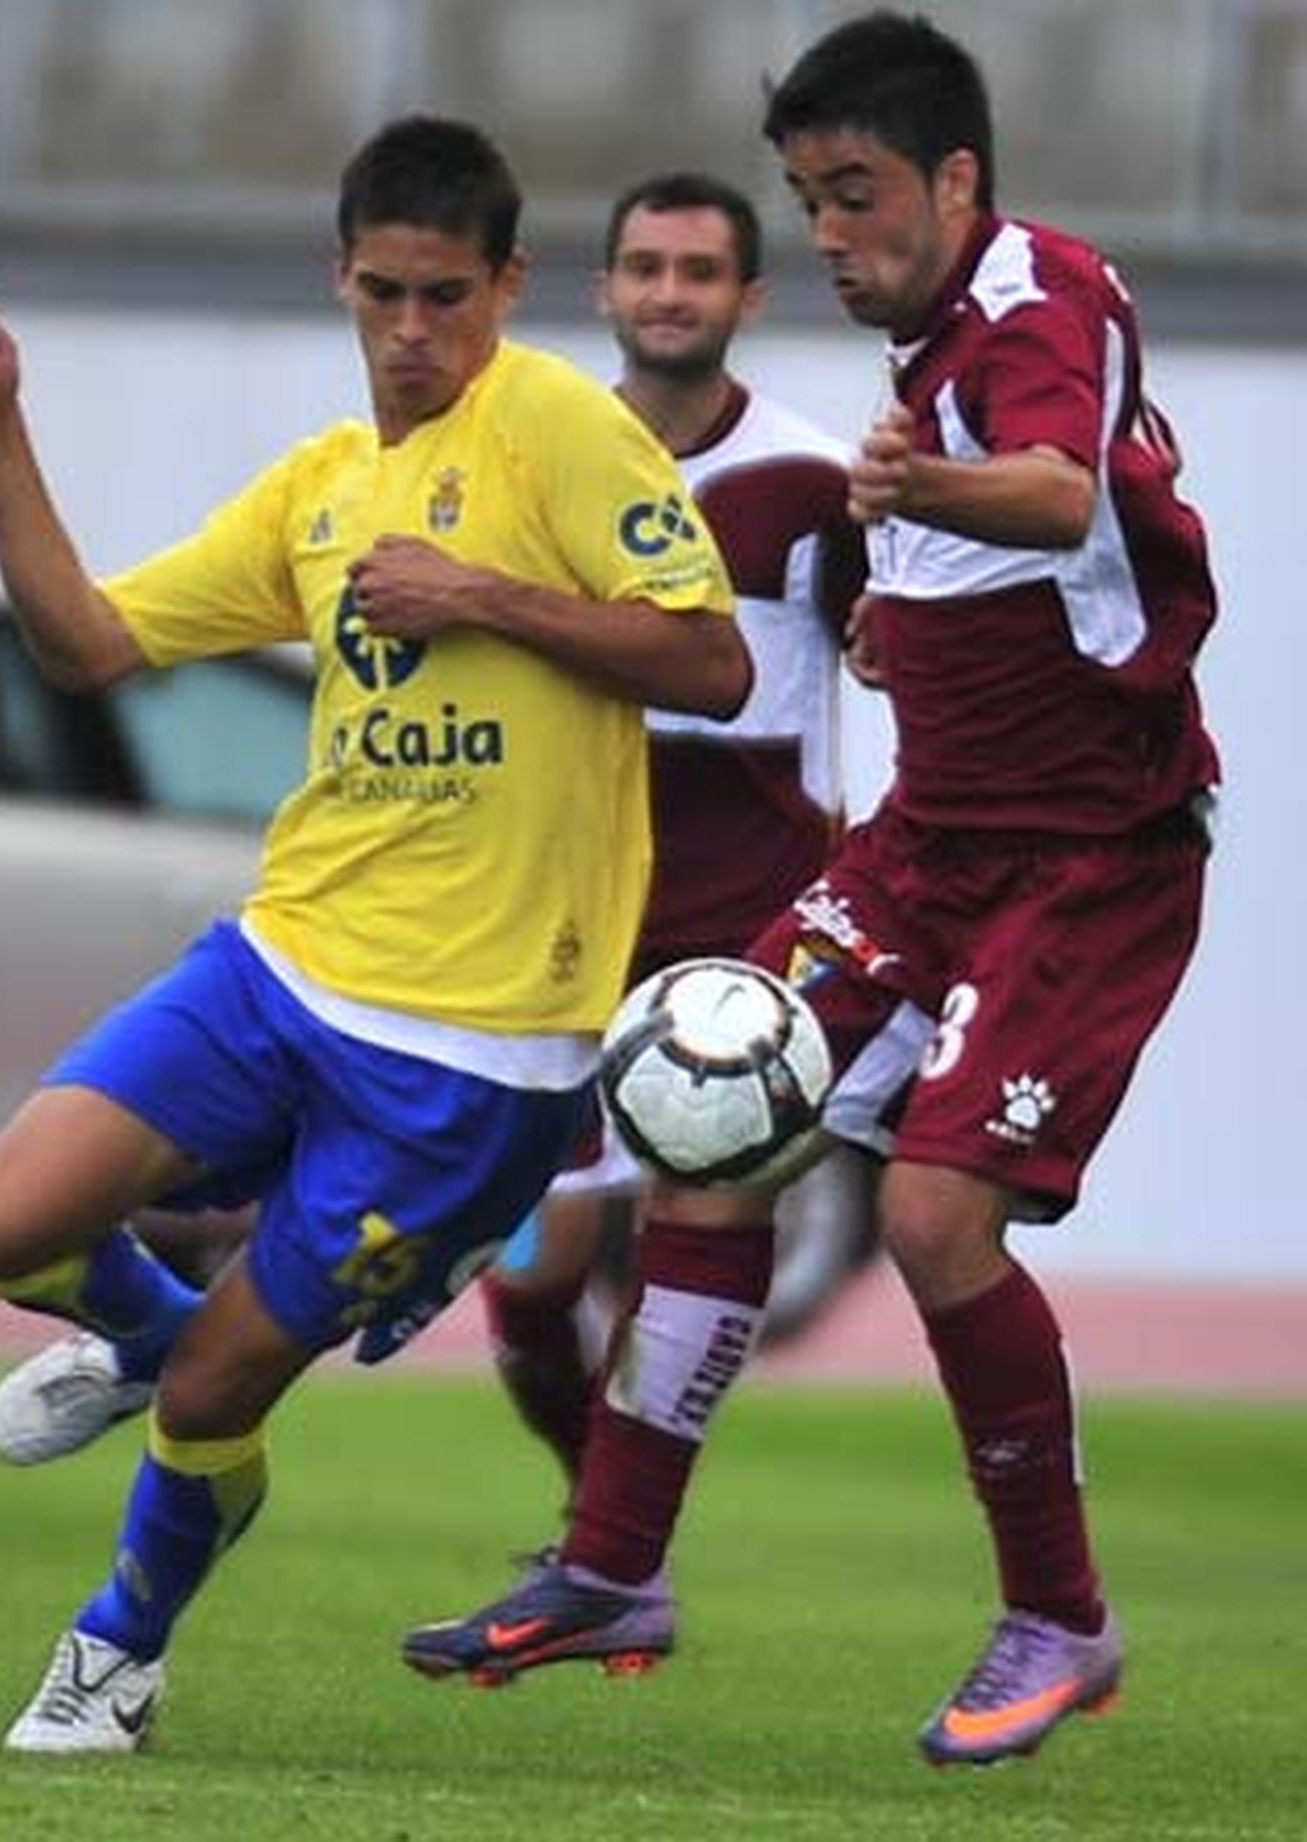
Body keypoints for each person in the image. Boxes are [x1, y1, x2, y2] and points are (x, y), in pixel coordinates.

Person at [402, 14, 1220, 1772]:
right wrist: (896, 609)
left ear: (956, 178)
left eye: (856, 195)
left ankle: (1058, 1614)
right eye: (811, 200)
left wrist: (927, 493)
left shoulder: (1035, 296)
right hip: (927, 842)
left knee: (933, 1215)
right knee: (712, 1123)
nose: (833, 233)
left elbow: (1052, 485)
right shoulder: (932, 343)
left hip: (1090, 860)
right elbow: (1022, 550)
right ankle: (613, 1564)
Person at [0, 113, 748, 1755]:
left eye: (447, 296)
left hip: (475, 1057)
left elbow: (710, 660)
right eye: (384, 294)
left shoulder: (559, 429)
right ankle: (146, 1335)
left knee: (220, 1396)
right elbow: (87, 646)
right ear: (341, 279)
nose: (414, 330)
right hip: (284, 964)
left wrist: (481, 595)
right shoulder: (325, 484)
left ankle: (116, 1653)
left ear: (508, 284)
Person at [476, 172, 872, 1515]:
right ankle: (597, 1517)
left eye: (699, 271)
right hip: (571, 937)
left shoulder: (816, 485)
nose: (669, 293)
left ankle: (611, 1548)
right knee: (532, 1275)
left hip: (741, 947)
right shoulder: (542, 466)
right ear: (604, 288)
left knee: (682, 1260)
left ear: (747, 298)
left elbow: (894, 658)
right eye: (645, 267)